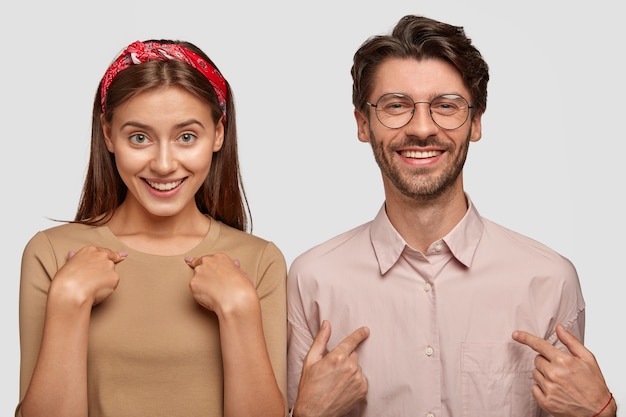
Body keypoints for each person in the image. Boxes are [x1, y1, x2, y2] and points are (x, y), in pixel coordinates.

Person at [286, 15, 616, 417]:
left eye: (446, 106)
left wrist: (602, 413)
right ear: (363, 124)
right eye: (395, 106)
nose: (422, 128)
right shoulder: (311, 281)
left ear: (475, 122)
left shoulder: (549, 280)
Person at [16, 40, 287, 417]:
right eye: (139, 137)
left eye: (186, 137)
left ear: (218, 134)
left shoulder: (259, 262)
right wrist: (69, 301)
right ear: (109, 135)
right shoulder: (50, 254)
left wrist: (239, 309)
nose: (163, 164)